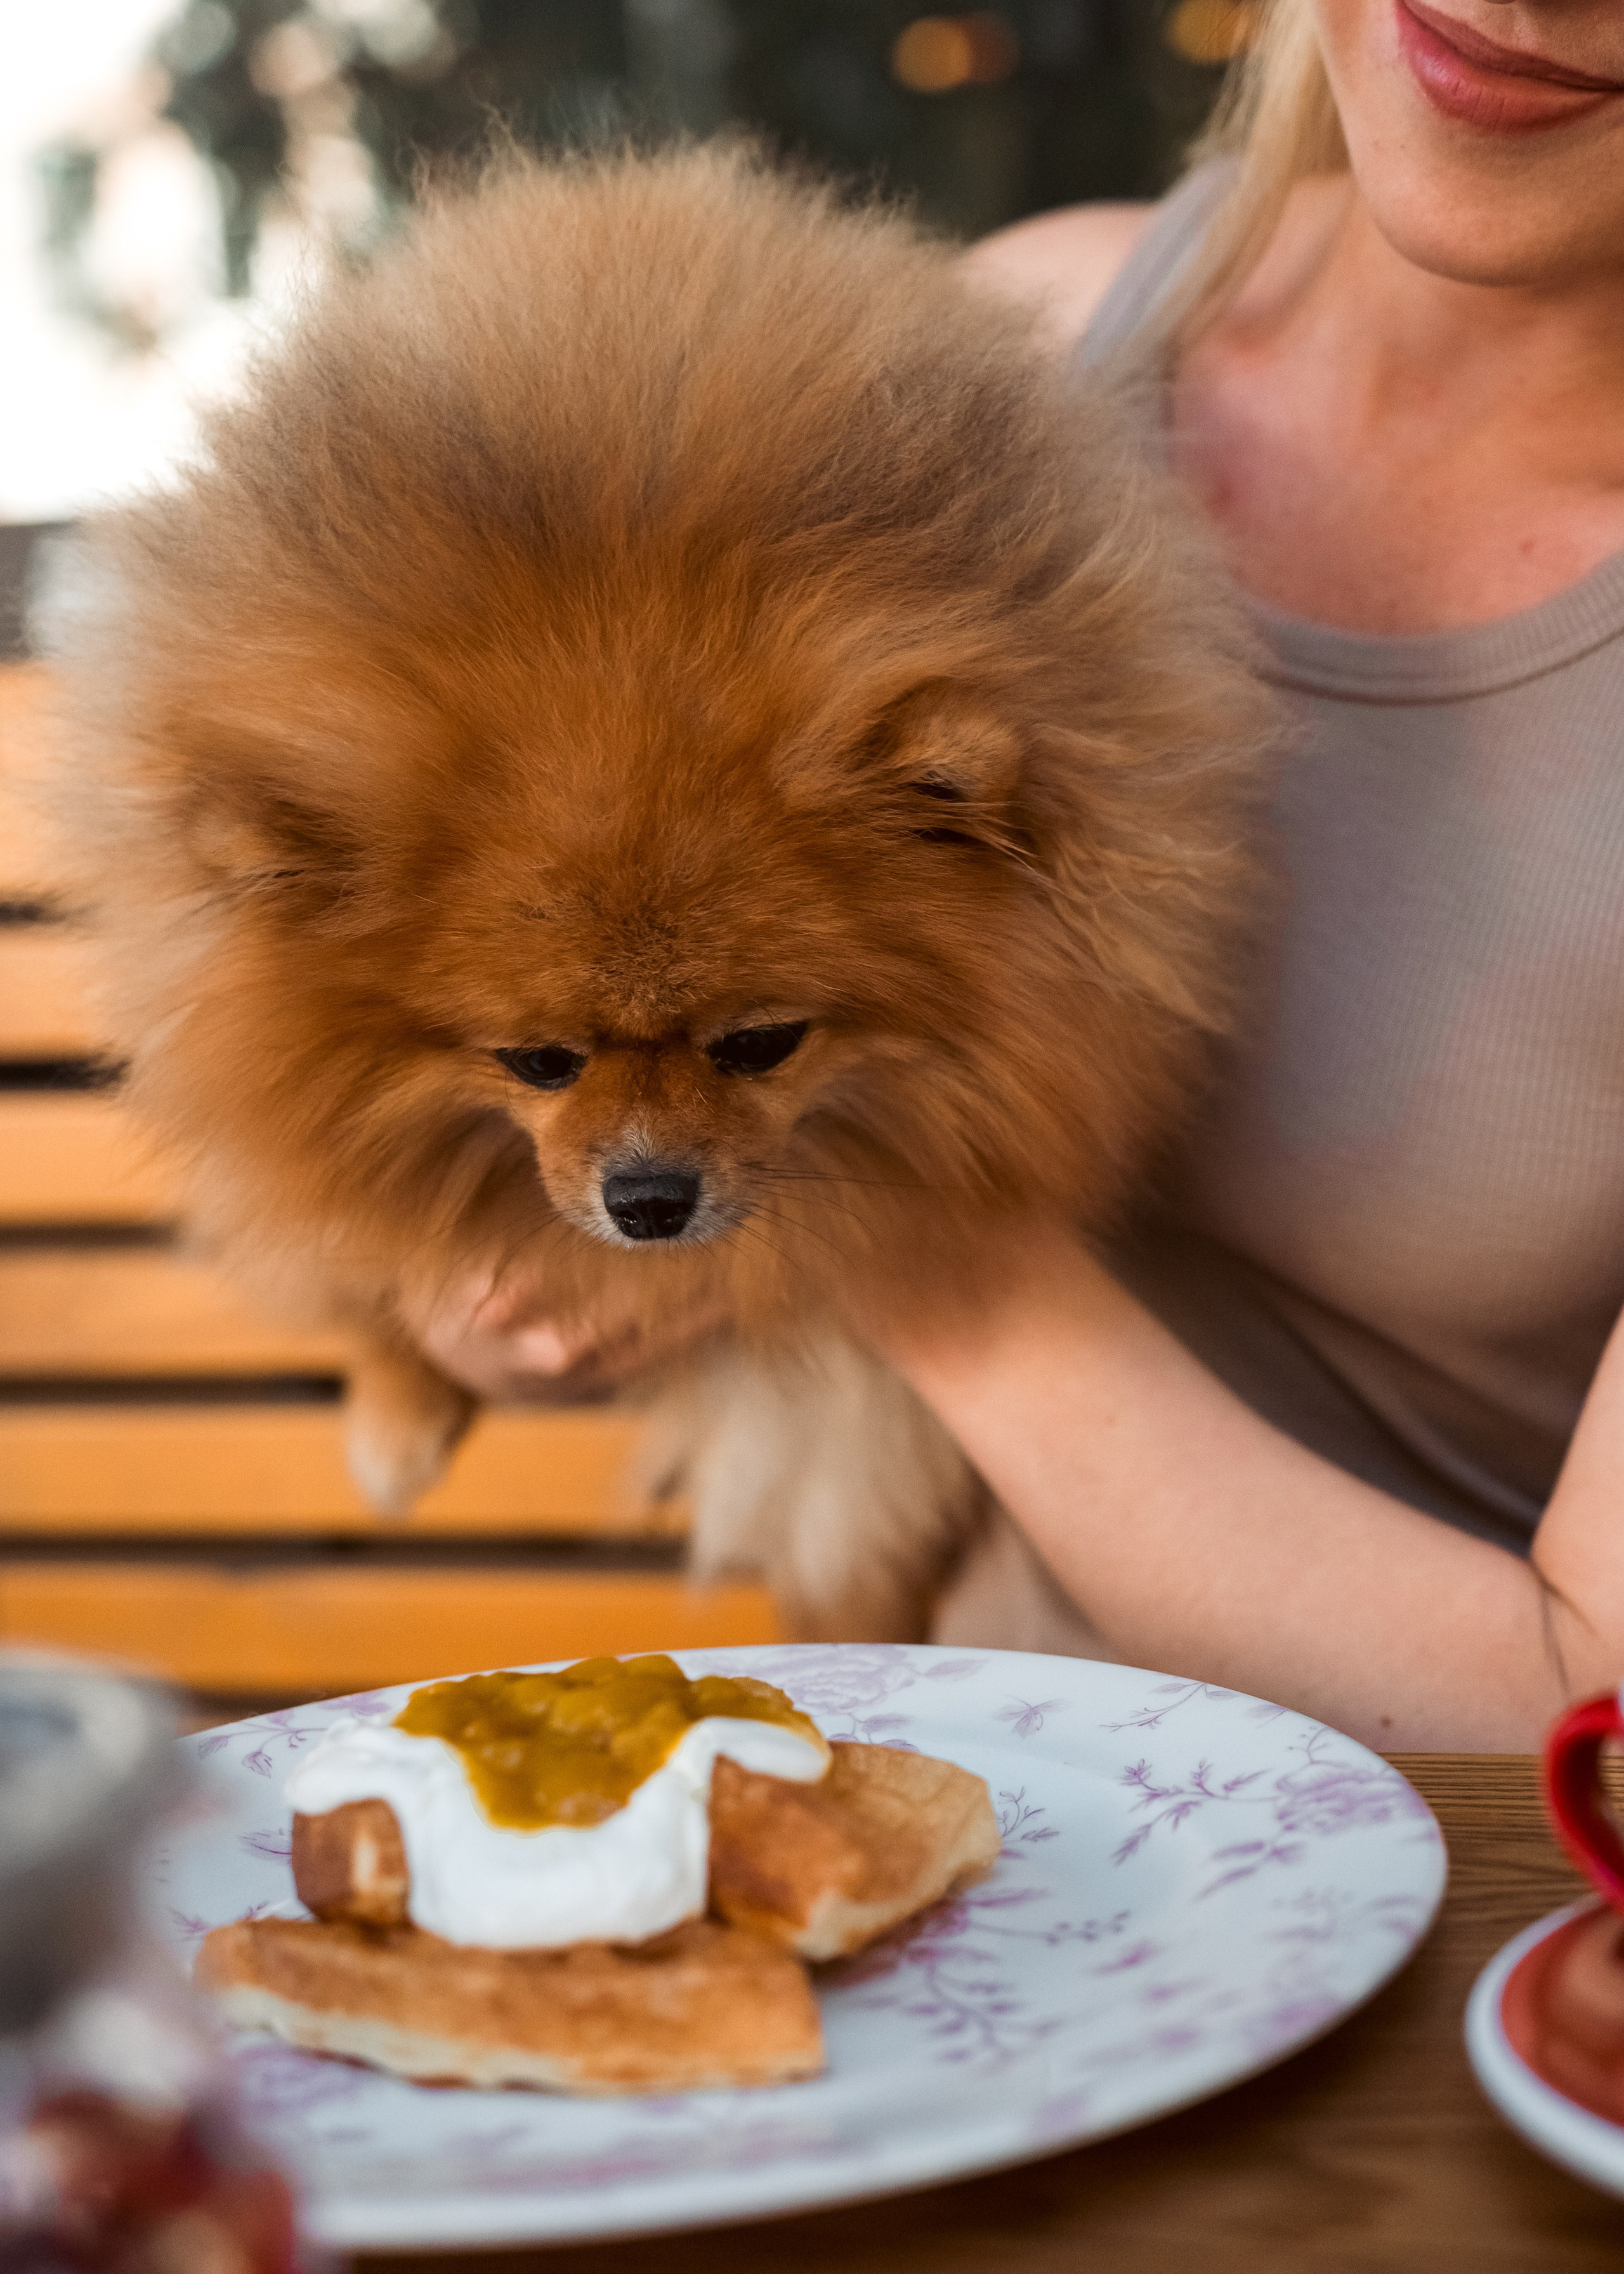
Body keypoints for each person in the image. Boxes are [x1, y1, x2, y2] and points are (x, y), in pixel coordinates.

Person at [409, 0, 1624, 1751]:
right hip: (945, 1815)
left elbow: (1588, 1721)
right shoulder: (983, 359)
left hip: (1470, 1888)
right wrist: (497, 1288)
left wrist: (911, 1251)